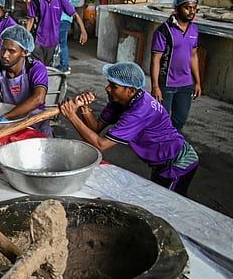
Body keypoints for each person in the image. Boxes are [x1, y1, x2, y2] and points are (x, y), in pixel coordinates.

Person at [60, 62, 199, 196]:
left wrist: (72, 116)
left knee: (169, 208)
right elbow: (95, 128)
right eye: (109, 84)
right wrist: (84, 107)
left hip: (178, 163)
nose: (107, 88)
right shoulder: (119, 101)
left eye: (113, 86)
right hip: (162, 161)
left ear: (130, 90)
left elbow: (100, 145)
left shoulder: (139, 111)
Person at [150, 0, 201, 133]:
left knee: (180, 120)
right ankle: (155, 146)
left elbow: (194, 56)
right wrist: (155, 86)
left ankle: (170, 144)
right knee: (160, 119)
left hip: (186, 84)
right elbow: (156, 59)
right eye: (187, 8)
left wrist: (197, 82)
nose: (192, 11)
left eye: (194, 8)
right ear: (177, 9)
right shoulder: (164, 30)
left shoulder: (194, 30)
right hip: (166, 83)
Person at [25, 0, 87, 67]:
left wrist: (83, 31)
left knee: (48, 69)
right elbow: (31, 21)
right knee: (37, 68)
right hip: (38, 41)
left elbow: (75, 15)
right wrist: (25, 37)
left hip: (53, 42)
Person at [52, 0, 81, 73]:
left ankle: (64, 66)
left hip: (63, 19)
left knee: (62, 42)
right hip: (57, 17)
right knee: (58, 42)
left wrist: (65, 6)